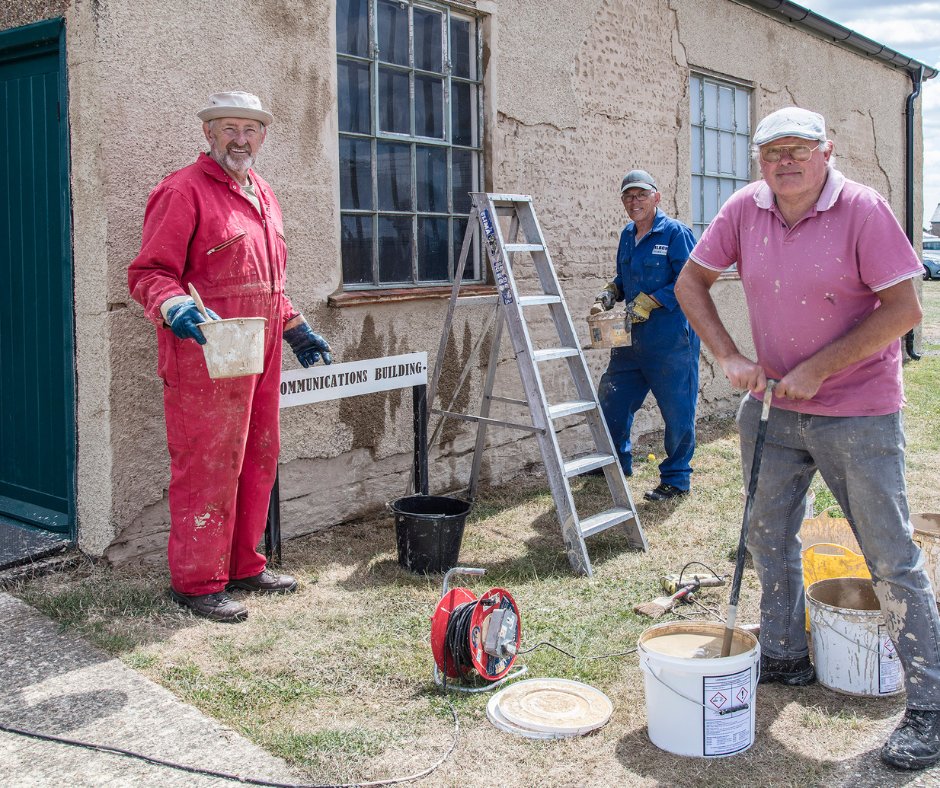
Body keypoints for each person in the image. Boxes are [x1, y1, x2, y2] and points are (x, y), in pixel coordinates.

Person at [675, 106, 940, 771]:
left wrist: (819, 369)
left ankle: (931, 707)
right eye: (771, 152)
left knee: (889, 554)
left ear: (827, 151)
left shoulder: (863, 209)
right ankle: (787, 655)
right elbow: (690, 281)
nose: (784, 161)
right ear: (757, 161)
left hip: (859, 412)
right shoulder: (744, 209)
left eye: (799, 149)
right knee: (767, 535)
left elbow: (904, 310)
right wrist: (732, 357)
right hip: (772, 410)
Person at [128, 91, 332, 623]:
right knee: (207, 467)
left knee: (258, 460)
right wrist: (173, 306)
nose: (240, 139)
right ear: (208, 134)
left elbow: (266, 282)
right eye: (228, 129)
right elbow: (149, 273)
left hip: (258, 353)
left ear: (263, 136)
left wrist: (295, 327)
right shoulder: (182, 191)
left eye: (251, 129)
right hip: (205, 354)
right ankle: (197, 582)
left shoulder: (263, 193)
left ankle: (245, 564)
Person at [591, 169, 699, 501]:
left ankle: (677, 479)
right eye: (628, 196)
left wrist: (652, 301)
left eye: (641, 195)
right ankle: (615, 462)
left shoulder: (675, 233)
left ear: (656, 197)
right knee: (612, 398)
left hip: (670, 341)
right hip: (630, 338)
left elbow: (692, 281)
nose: (634, 201)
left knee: (677, 411)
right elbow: (625, 278)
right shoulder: (628, 234)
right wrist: (610, 292)